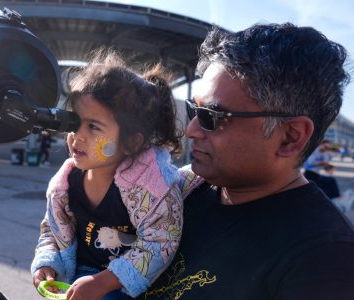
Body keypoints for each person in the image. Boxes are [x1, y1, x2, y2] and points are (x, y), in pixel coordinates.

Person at [139, 23, 354, 299]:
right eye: (194, 109)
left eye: (211, 116)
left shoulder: (324, 260)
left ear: (290, 137)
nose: (191, 129)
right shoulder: (183, 190)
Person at [30, 50, 203, 299]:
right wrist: (47, 263)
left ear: (131, 143)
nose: (77, 135)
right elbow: (52, 230)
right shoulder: (65, 185)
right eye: (75, 122)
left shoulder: (151, 190)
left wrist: (103, 283)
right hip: (78, 278)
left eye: (93, 126)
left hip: (127, 285)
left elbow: (160, 243)